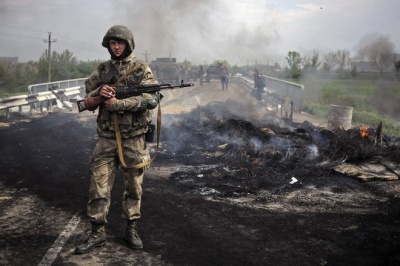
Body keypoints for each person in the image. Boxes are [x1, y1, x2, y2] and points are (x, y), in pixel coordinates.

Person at [75, 25, 161, 254]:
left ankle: (131, 229)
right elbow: (86, 98)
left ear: (128, 44)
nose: (116, 46)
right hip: (106, 139)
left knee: (134, 187)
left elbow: (152, 99)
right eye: (112, 43)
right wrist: (99, 95)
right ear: (108, 45)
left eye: (120, 42)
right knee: (98, 187)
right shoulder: (102, 69)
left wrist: (120, 104)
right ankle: (97, 232)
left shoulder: (141, 69)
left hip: (133, 139)